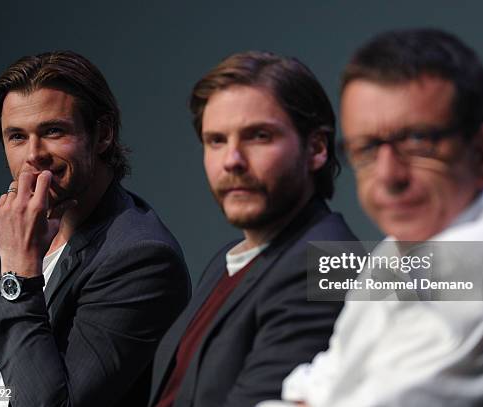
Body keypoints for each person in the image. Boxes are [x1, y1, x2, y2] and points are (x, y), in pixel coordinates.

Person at [260, 28, 483, 407]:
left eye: (418, 140)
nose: (388, 175)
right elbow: (315, 384)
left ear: (482, 153)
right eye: (366, 148)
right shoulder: (405, 245)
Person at [0, 51, 191, 407]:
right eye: (16, 136)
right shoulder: (11, 224)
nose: (34, 155)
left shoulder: (142, 258)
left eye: (53, 131)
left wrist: (18, 273)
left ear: (103, 134)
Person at [149, 51, 358, 407]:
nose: (232, 160)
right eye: (216, 140)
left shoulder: (325, 262)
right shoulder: (227, 260)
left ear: (317, 148)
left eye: (258, 136)